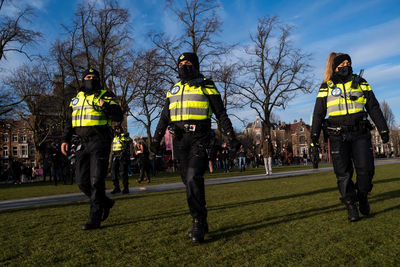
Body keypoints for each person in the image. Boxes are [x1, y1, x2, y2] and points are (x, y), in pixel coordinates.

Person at [151, 52, 240, 243]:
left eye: (188, 62)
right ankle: (202, 216)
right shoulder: (173, 89)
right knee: (188, 181)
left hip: (200, 137)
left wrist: (231, 138)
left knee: (193, 177)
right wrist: (155, 139)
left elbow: (220, 113)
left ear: (196, 65)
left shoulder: (207, 85)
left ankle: (198, 221)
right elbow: (164, 117)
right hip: (180, 141)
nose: (184, 65)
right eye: (181, 63)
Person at [311, 52, 389, 222]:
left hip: (360, 133)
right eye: (343, 62)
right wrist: (314, 137)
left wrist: (383, 129)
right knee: (343, 174)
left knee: (366, 170)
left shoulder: (360, 82)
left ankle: (362, 195)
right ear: (336, 66)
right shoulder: (327, 86)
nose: (347, 64)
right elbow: (318, 113)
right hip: (337, 135)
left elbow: (373, 106)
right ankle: (351, 205)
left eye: (349, 62)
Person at [61, 68, 123, 230]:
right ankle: (105, 202)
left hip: (99, 140)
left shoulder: (106, 95)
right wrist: (64, 139)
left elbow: (118, 115)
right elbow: (69, 121)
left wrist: (105, 107)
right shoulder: (75, 99)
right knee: (82, 182)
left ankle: (94, 218)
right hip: (81, 143)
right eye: (88, 77)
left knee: (96, 180)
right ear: (83, 80)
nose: (91, 79)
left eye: (94, 77)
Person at [110, 126, 132, 194]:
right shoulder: (115, 137)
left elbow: (129, 141)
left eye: (118, 129)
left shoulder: (123, 135)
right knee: (113, 172)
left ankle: (126, 188)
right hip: (115, 156)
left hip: (123, 155)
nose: (117, 130)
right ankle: (117, 188)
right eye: (116, 129)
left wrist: (126, 136)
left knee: (123, 172)